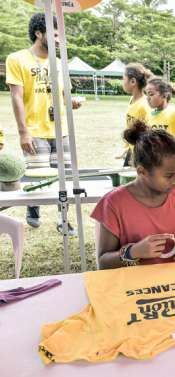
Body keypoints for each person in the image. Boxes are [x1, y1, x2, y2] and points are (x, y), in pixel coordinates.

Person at [6, 13, 82, 232]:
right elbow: (16, 97)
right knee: (37, 176)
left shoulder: (58, 62)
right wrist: (23, 132)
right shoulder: (17, 59)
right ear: (39, 33)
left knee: (64, 178)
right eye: (55, 34)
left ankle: (63, 219)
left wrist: (72, 102)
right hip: (34, 129)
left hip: (61, 130)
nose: (60, 39)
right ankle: (33, 205)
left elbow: (60, 94)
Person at [92, 120, 175, 269]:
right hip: (134, 285)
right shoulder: (114, 203)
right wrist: (134, 252)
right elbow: (104, 262)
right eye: (169, 176)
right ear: (141, 171)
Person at [119, 63, 152, 167]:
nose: (122, 82)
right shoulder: (132, 100)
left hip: (141, 154)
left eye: (123, 78)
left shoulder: (144, 105)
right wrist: (126, 147)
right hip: (132, 150)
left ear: (133, 81)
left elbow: (149, 132)